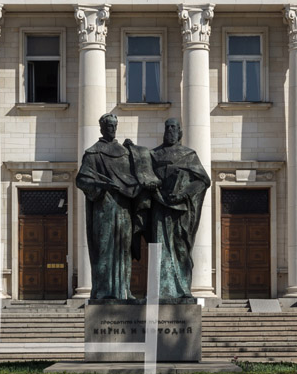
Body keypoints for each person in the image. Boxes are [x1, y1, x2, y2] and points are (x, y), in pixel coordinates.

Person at [76, 113, 147, 300]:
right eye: (108, 126)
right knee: (105, 248)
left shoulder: (124, 152)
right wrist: (102, 185)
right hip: (104, 207)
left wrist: (135, 153)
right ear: (101, 128)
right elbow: (82, 179)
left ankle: (124, 291)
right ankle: (103, 291)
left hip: (124, 208)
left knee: (124, 249)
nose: (112, 129)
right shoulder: (93, 153)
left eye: (114, 125)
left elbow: (135, 178)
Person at [146, 118, 211, 300]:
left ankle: (182, 289)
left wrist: (183, 194)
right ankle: (159, 290)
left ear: (180, 132)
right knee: (158, 246)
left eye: (174, 128)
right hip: (160, 207)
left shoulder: (188, 155)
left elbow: (203, 180)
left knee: (181, 247)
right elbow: (145, 175)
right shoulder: (153, 154)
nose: (170, 131)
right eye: (167, 127)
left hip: (181, 210)